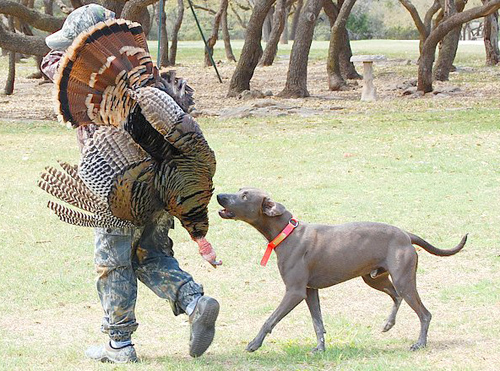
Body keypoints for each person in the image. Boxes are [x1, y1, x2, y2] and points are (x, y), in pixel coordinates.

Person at [42, 4, 220, 363]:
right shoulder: (145, 78)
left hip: (118, 187)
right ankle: (194, 301)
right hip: (162, 185)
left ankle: (118, 344)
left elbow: (53, 65)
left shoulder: (95, 84)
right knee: (150, 254)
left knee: (113, 261)